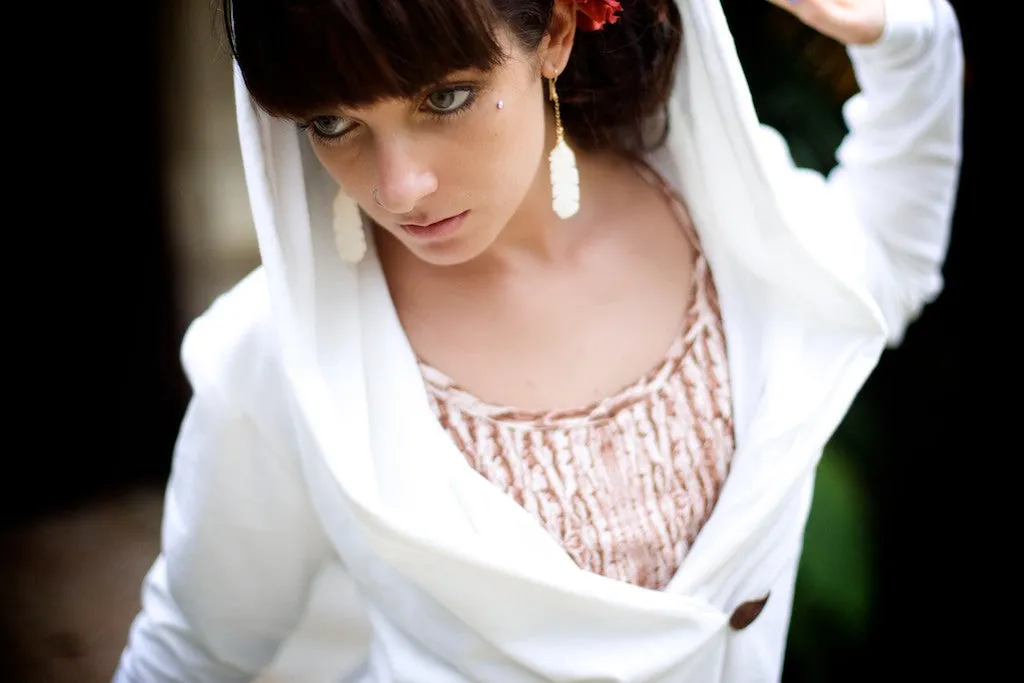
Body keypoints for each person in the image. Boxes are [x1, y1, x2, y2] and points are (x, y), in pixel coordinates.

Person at [113, 0, 964, 681]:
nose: (400, 185)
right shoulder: (277, 354)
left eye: (444, 97)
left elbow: (888, 267)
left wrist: (910, 40)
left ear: (555, 33)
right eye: (333, 123)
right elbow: (193, 648)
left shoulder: (730, 221)